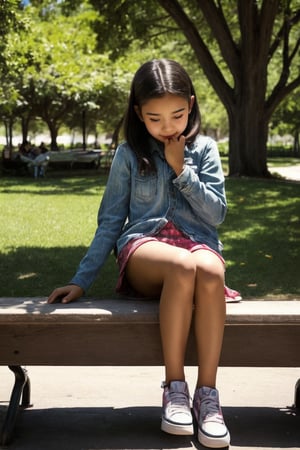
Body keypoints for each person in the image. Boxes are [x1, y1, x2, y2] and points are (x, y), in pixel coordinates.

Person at [48, 59, 231, 448]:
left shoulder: (206, 149)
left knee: (210, 271)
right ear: (138, 114)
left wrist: (183, 170)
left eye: (178, 115)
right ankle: (175, 388)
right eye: (155, 118)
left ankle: (209, 397)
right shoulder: (128, 154)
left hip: (198, 243)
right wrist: (81, 280)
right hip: (145, 249)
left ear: (192, 105)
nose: (168, 127)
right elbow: (111, 222)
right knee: (183, 265)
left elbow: (216, 215)